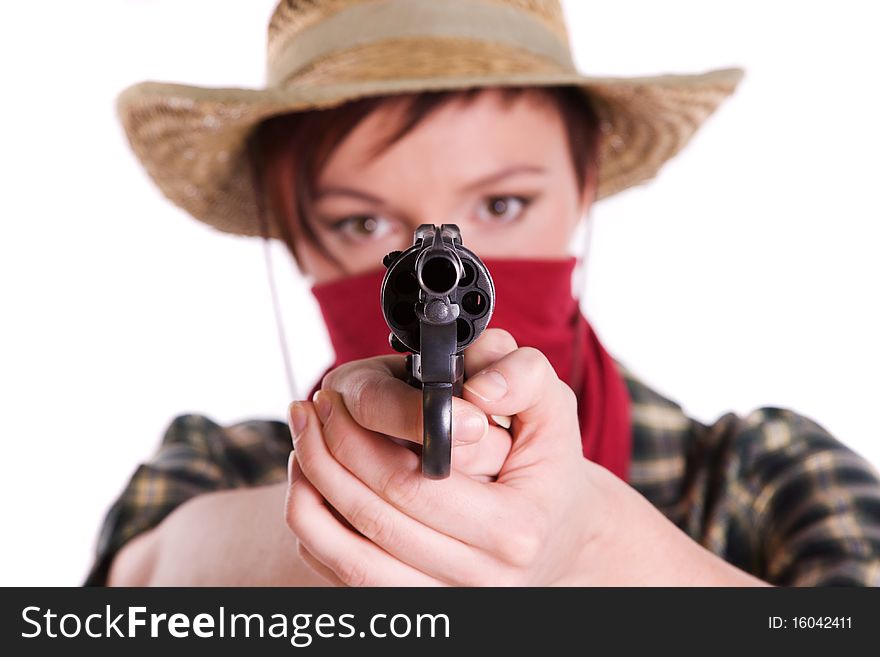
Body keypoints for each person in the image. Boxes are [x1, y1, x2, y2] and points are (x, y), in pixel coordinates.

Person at [86, 0, 880, 586]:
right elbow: (133, 587)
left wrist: (595, 550)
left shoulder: (767, 476)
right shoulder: (214, 467)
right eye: (360, 221)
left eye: (502, 206)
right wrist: (322, 524)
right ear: (289, 232)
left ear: (585, 182)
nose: (440, 257)